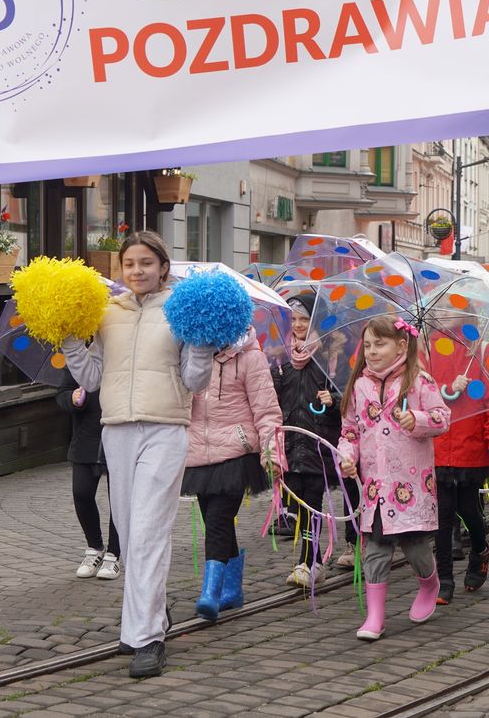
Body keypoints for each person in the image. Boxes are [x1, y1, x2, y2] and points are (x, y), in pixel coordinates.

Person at [61, 230, 215, 678]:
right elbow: (91, 378)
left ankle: (147, 638)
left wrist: (202, 344)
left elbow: (195, 381)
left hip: (165, 429)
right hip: (116, 431)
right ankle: (152, 612)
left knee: (148, 531)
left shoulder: (180, 310)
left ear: (163, 267)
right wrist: (70, 342)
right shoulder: (107, 312)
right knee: (129, 535)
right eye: (129, 263)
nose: (137, 271)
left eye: (146, 262)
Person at [337, 314, 451, 641]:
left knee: (415, 548)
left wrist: (417, 419)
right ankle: (375, 615)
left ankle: (429, 584)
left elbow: (443, 418)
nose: (372, 351)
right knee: (375, 549)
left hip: (411, 487)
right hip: (375, 488)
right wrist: (347, 456)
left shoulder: (418, 380)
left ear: (401, 346)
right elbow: (350, 431)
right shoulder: (360, 386)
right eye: (367, 345)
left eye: (380, 344)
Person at [182, 325, 278, 621]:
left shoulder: (250, 357)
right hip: (199, 455)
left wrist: (272, 451)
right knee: (217, 522)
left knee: (217, 521)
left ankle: (210, 592)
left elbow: (266, 409)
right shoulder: (191, 354)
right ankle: (233, 591)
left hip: (237, 455)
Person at [270, 295, 343, 588]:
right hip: (290, 441)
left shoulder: (329, 357)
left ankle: (309, 561)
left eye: (304, 319)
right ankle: (311, 560)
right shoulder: (281, 358)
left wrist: (334, 399)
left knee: (312, 501)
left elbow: (349, 395)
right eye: (294, 319)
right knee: (296, 501)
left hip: (317, 440)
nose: (298, 325)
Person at [433, 400, 489, 603]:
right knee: (443, 513)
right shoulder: (429, 378)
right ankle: (444, 579)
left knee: (468, 509)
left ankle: (480, 550)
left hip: (471, 449)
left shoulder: (481, 379)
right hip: (437, 449)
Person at [56, 372, 121, 581]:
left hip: (120, 436)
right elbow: (62, 393)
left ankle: (114, 554)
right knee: (81, 493)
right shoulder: (79, 360)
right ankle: (95, 548)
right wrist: (72, 399)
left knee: (118, 499)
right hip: (86, 438)